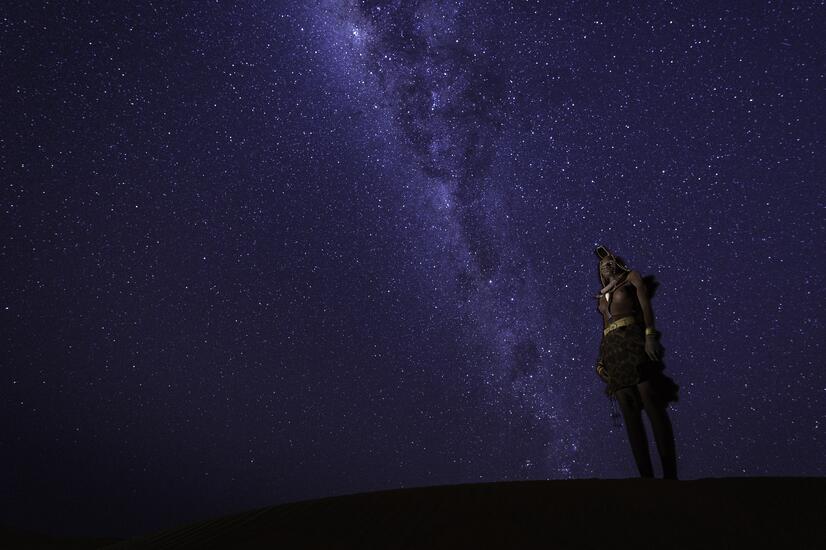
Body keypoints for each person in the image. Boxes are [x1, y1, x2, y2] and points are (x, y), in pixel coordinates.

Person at [593, 245, 679, 480]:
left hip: (632, 340)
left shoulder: (630, 278)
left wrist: (650, 335)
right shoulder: (603, 295)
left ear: (617, 263)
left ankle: (670, 476)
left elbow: (645, 305)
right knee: (629, 409)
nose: (607, 264)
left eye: (610, 260)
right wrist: (601, 360)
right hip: (613, 349)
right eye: (602, 264)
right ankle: (646, 480)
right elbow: (604, 329)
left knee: (650, 399)